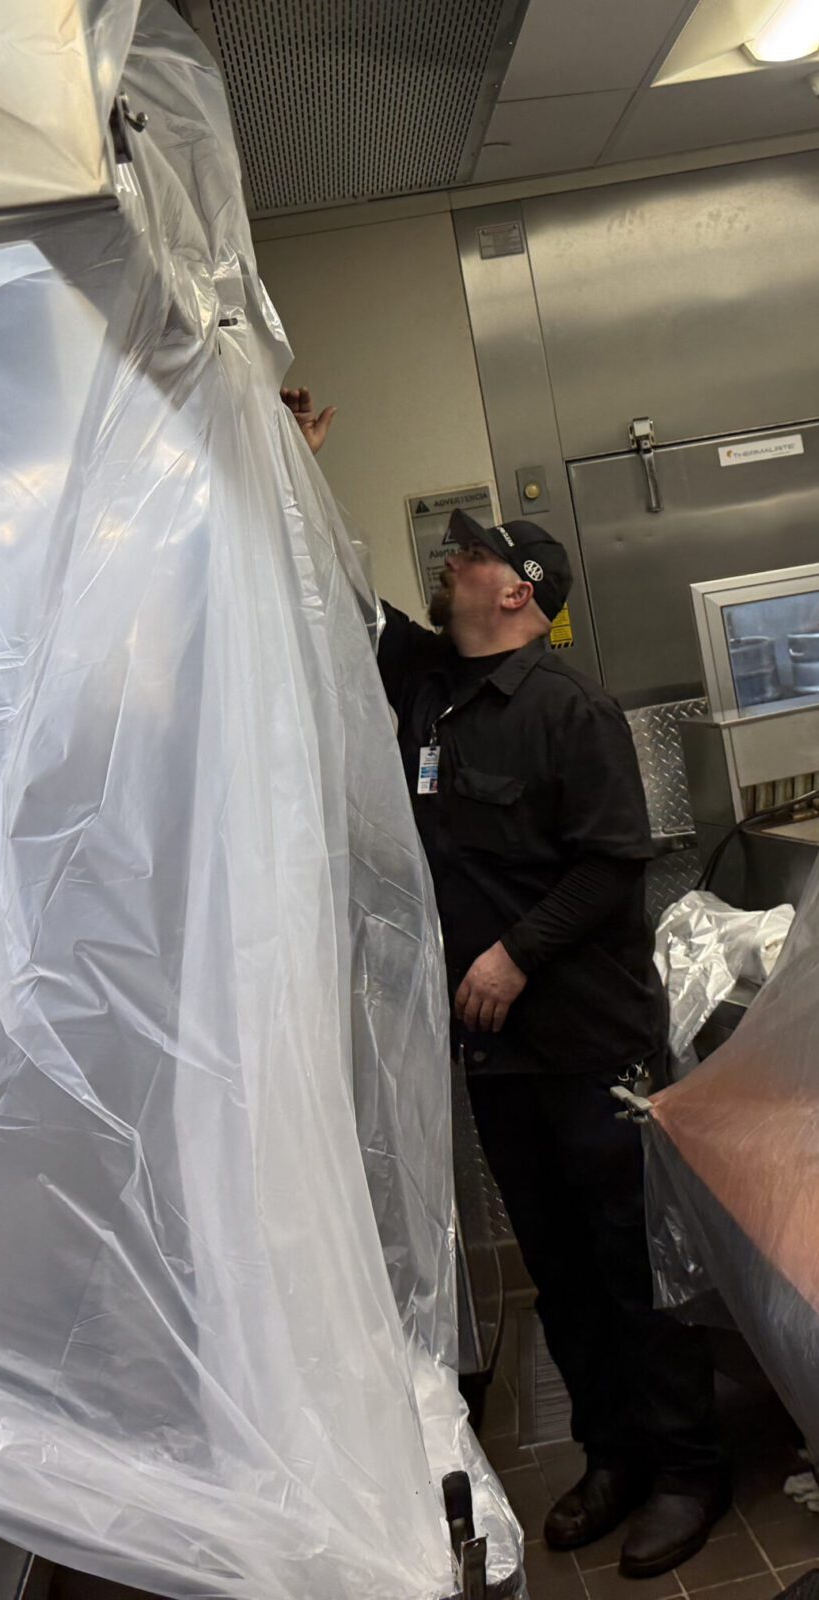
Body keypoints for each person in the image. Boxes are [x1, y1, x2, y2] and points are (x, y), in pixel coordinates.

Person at [286, 389, 728, 1578]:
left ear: (517, 591)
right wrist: (285, 455)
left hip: (588, 1044)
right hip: (500, 1057)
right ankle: (614, 1454)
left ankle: (689, 1468)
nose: (456, 561)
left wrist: (511, 952)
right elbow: (324, 582)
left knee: (633, 1267)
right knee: (562, 1273)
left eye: (474, 554)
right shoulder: (430, 685)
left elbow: (613, 861)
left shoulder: (566, 708)